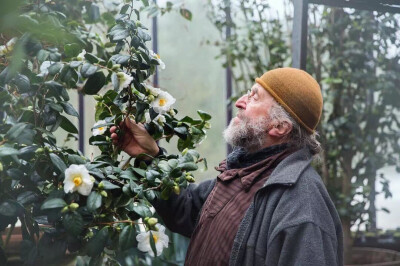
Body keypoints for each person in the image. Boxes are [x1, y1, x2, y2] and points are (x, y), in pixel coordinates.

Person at [110, 67, 344, 266]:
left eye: (254, 96)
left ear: (280, 127)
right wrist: (150, 156)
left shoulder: (302, 206)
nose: (240, 102)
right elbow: (188, 208)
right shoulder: (246, 171)